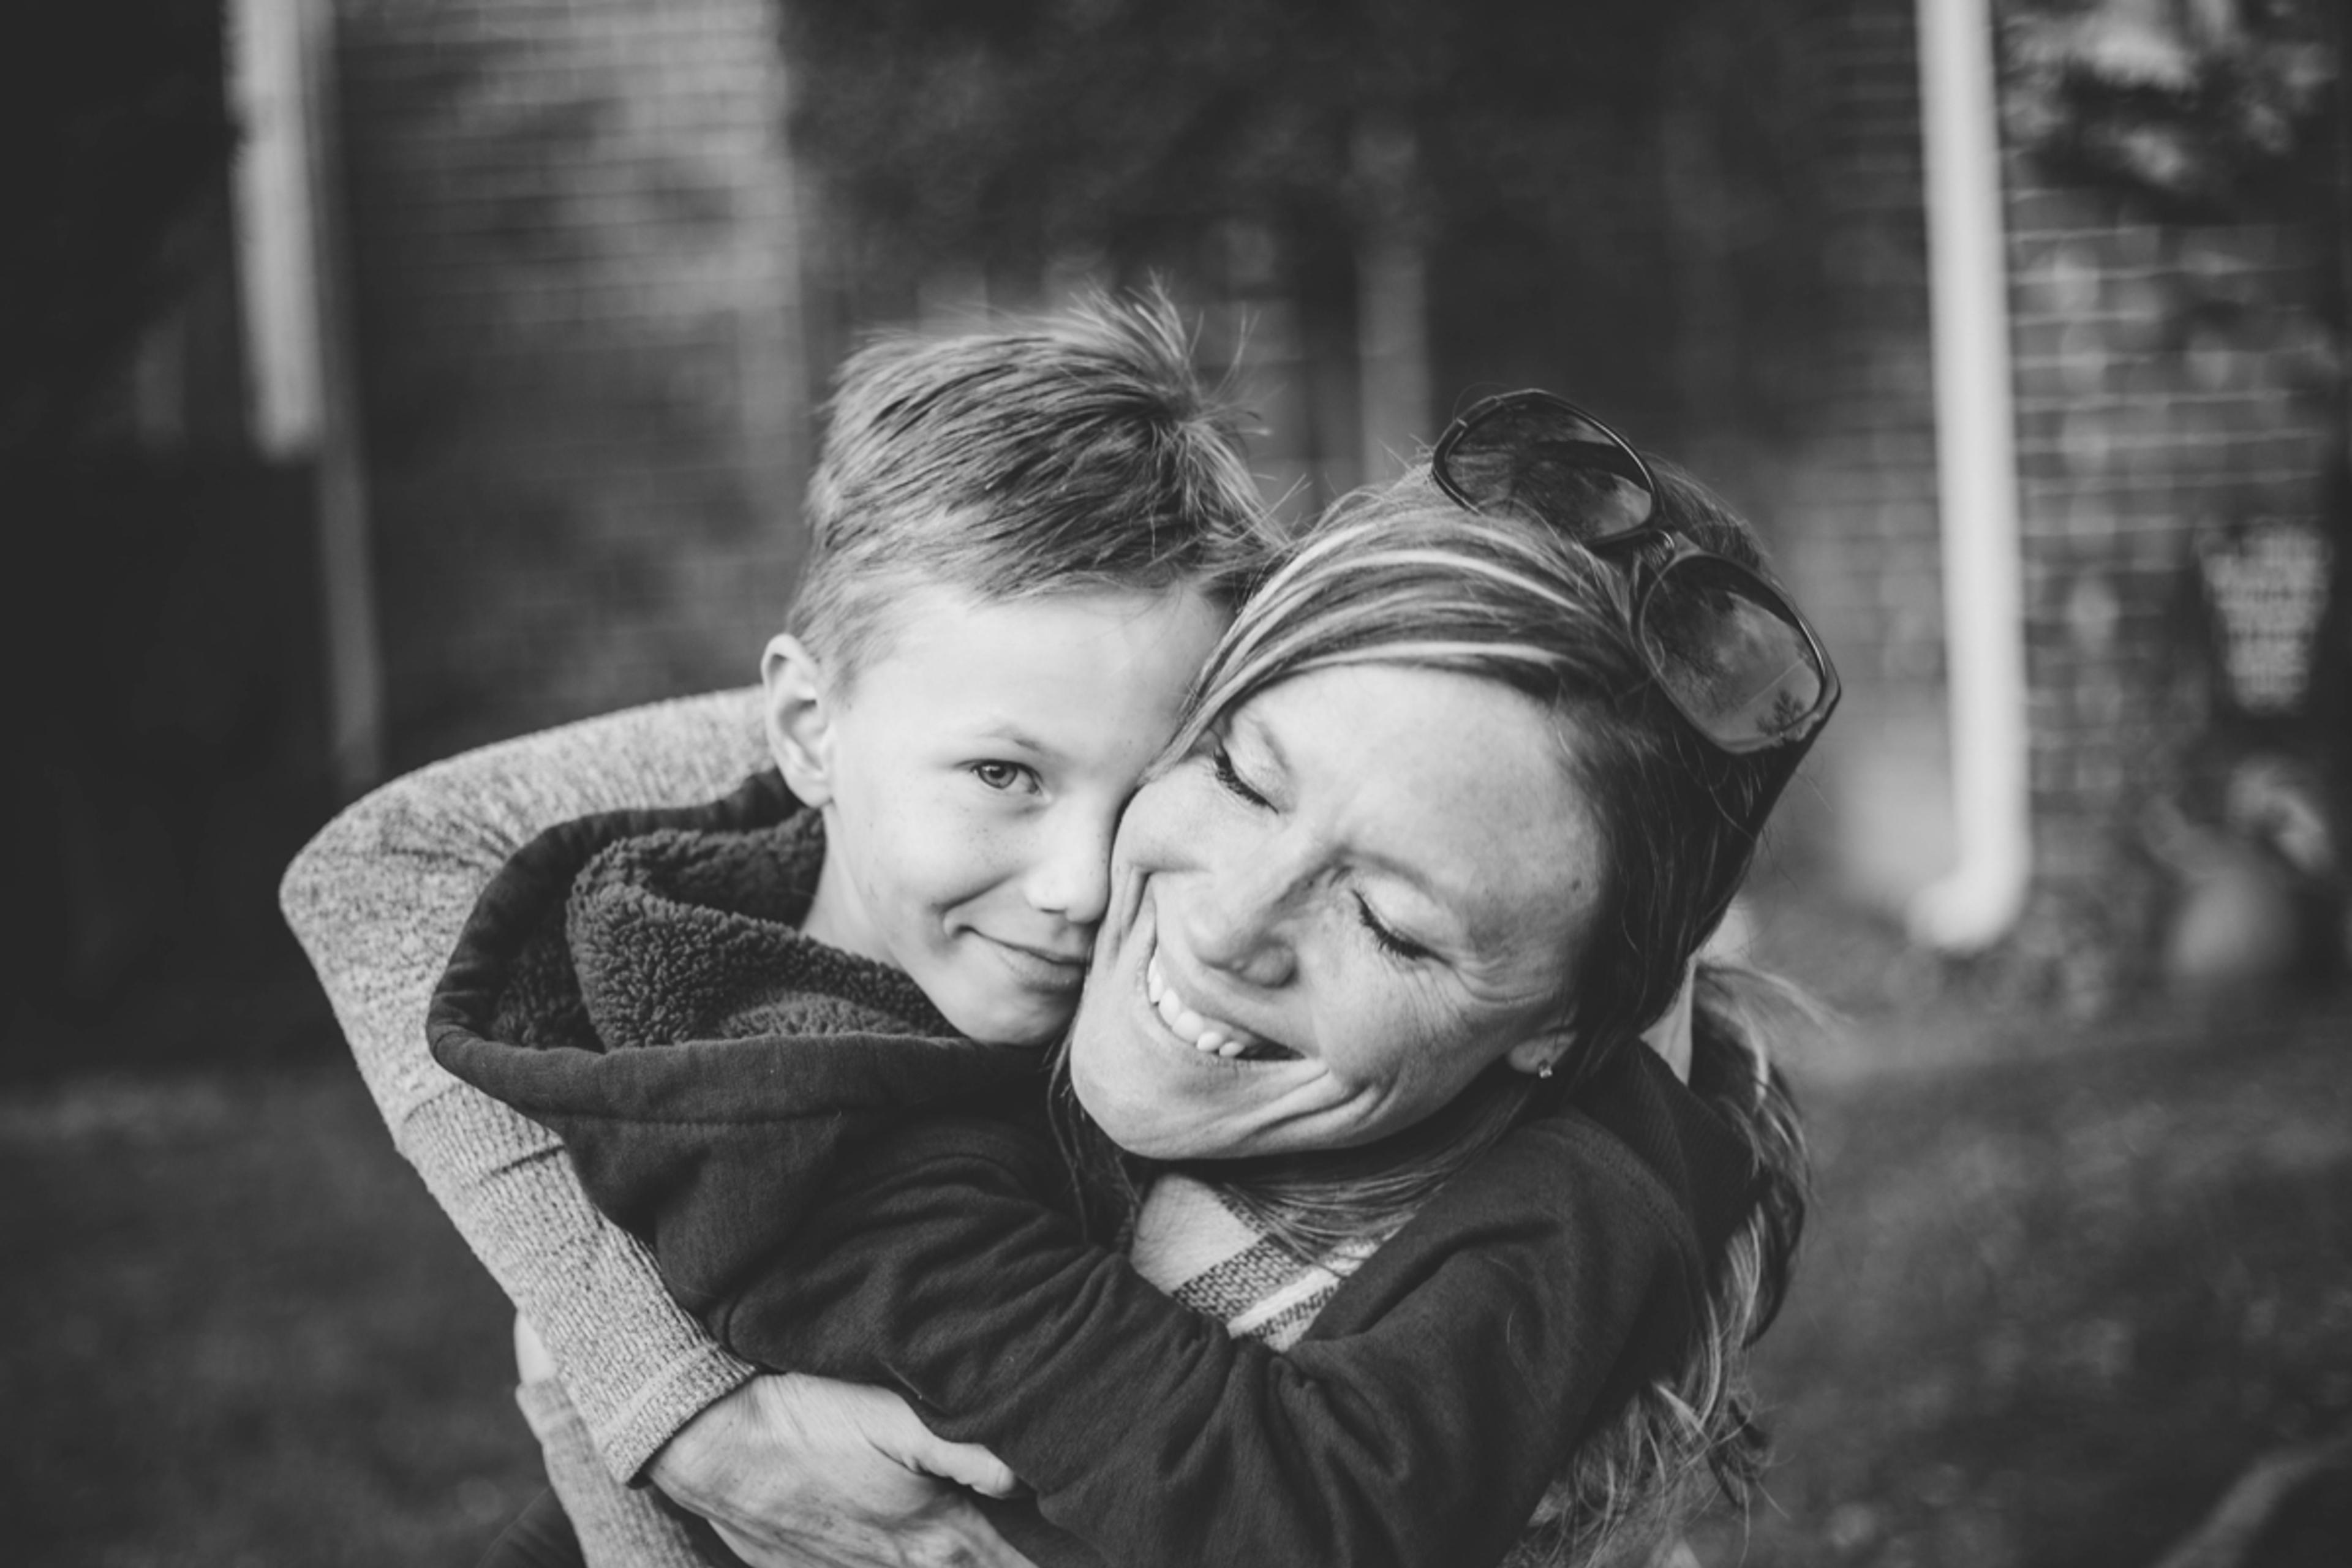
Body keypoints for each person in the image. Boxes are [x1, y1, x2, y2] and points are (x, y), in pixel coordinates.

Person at [296, 385, 1839, 1565]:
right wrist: (668, 1398)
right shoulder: (838, 1090)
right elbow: (395, 852)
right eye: (1240, 770)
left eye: (1395, 921)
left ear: (1573, 1013)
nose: (1116, 886)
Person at [283, 293, 1276, 1568]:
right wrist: (667, 1397)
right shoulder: (787, 1128)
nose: (1082, 885)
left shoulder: (936, 779)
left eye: (1145, 788)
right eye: (1002, 776)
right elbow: (372, 863)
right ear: (806, 730)